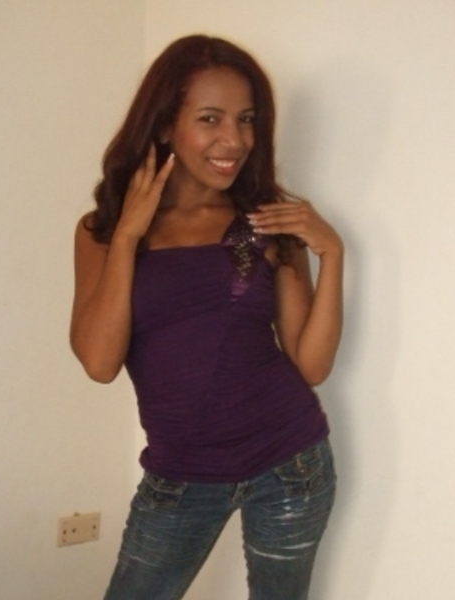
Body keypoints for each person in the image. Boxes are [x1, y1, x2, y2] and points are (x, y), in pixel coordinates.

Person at [70, 34, 344, 600]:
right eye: (210, 119)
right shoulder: (103, 231)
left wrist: (333, 253)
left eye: (246, 120)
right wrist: (128, 238)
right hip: (179, 479)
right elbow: (99, 362)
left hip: (290, 464)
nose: (234, 140)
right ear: (164, 125)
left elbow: (312, 365)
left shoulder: (266, 220)